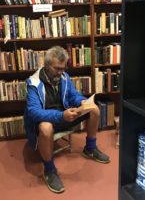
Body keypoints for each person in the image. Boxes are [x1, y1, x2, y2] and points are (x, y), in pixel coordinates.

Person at [24, 46, 110, 193]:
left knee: (94, 109)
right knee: (45, 128)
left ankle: (90, 148)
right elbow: (34, 112)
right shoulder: (33, 83)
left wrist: (82, 101)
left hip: (64, 115)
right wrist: (61, 116)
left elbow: (72, 95)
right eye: (57, 68)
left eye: (63, 68)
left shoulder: (64, 76)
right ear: (46, 65)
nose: (60, 72)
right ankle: (49, 170)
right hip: (49, 120)